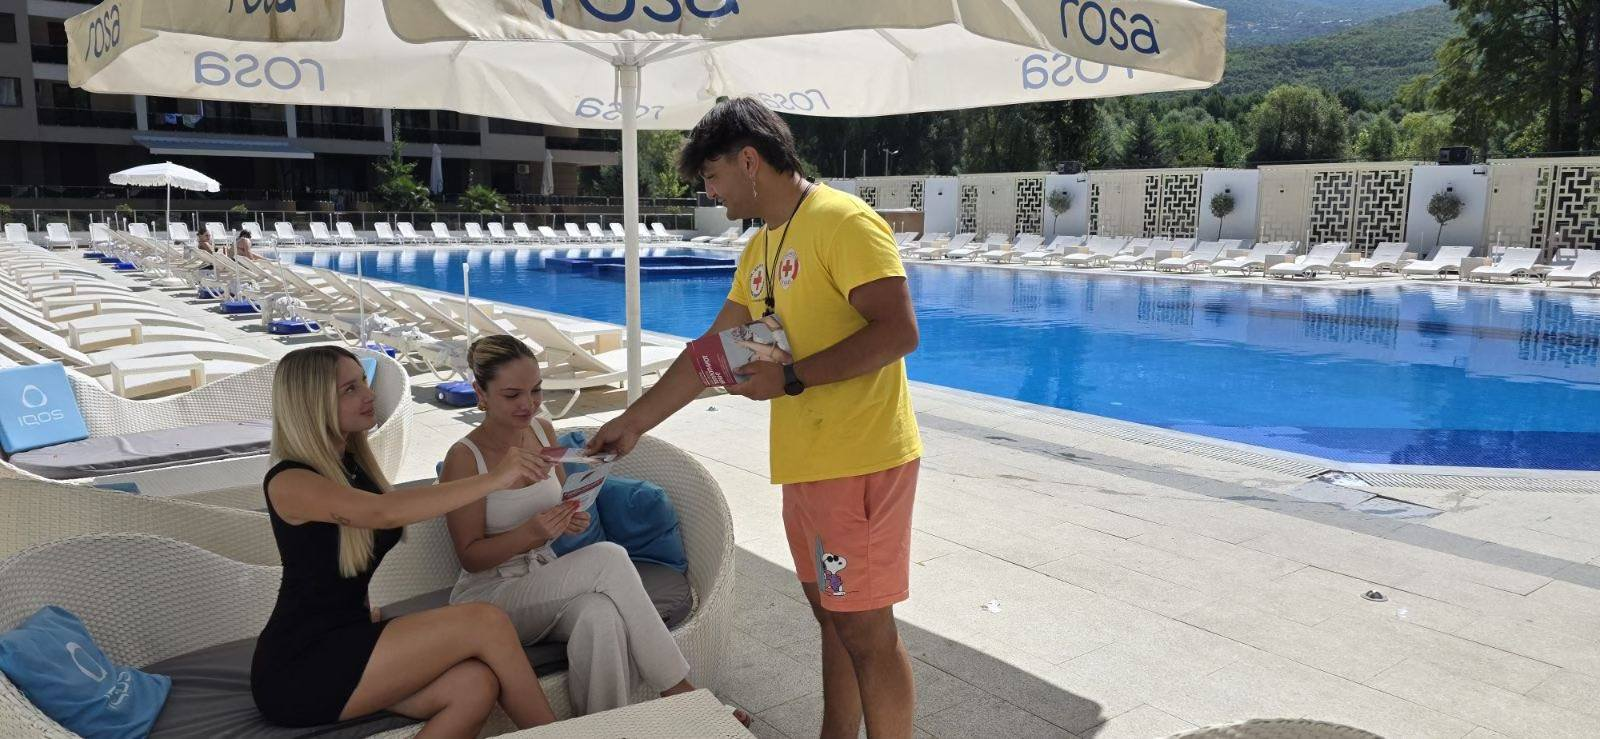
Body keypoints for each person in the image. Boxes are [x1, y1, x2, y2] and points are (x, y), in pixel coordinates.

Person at [588, 97, 922, 738]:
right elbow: (710, 355)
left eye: (712, 176)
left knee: (865, 630)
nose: (710, 193)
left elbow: (899, 331)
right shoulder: (764, 244)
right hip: (809, 466)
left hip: (861, 460)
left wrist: (792, 377)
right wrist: (632, 423)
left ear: (749, 161)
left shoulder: (843, 222)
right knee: (834, 619)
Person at [438, 335, 749, 723]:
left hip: (542, 577)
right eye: (512, 394)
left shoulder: (542, 431)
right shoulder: (465, 458)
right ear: (480, 393)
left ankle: (604, 727)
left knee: (600, 616)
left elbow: (558, 506)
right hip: (490, 599)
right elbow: (469, 556)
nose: (528, 404)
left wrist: (568, 519)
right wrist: (530, 533)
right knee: (609, 557)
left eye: (536, 390)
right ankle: (683, 696)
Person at [252, 346, 557, 736]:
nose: (369, 394)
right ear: (311, 402)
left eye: (364, 382)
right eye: (350, 389)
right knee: (485, 621)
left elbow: (329, 560)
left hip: (349, 635)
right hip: (299, 664)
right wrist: (495, 479)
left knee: (474, 686)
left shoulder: (351, 467)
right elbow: (384, 513)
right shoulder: (290, 480)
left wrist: (360, 604)